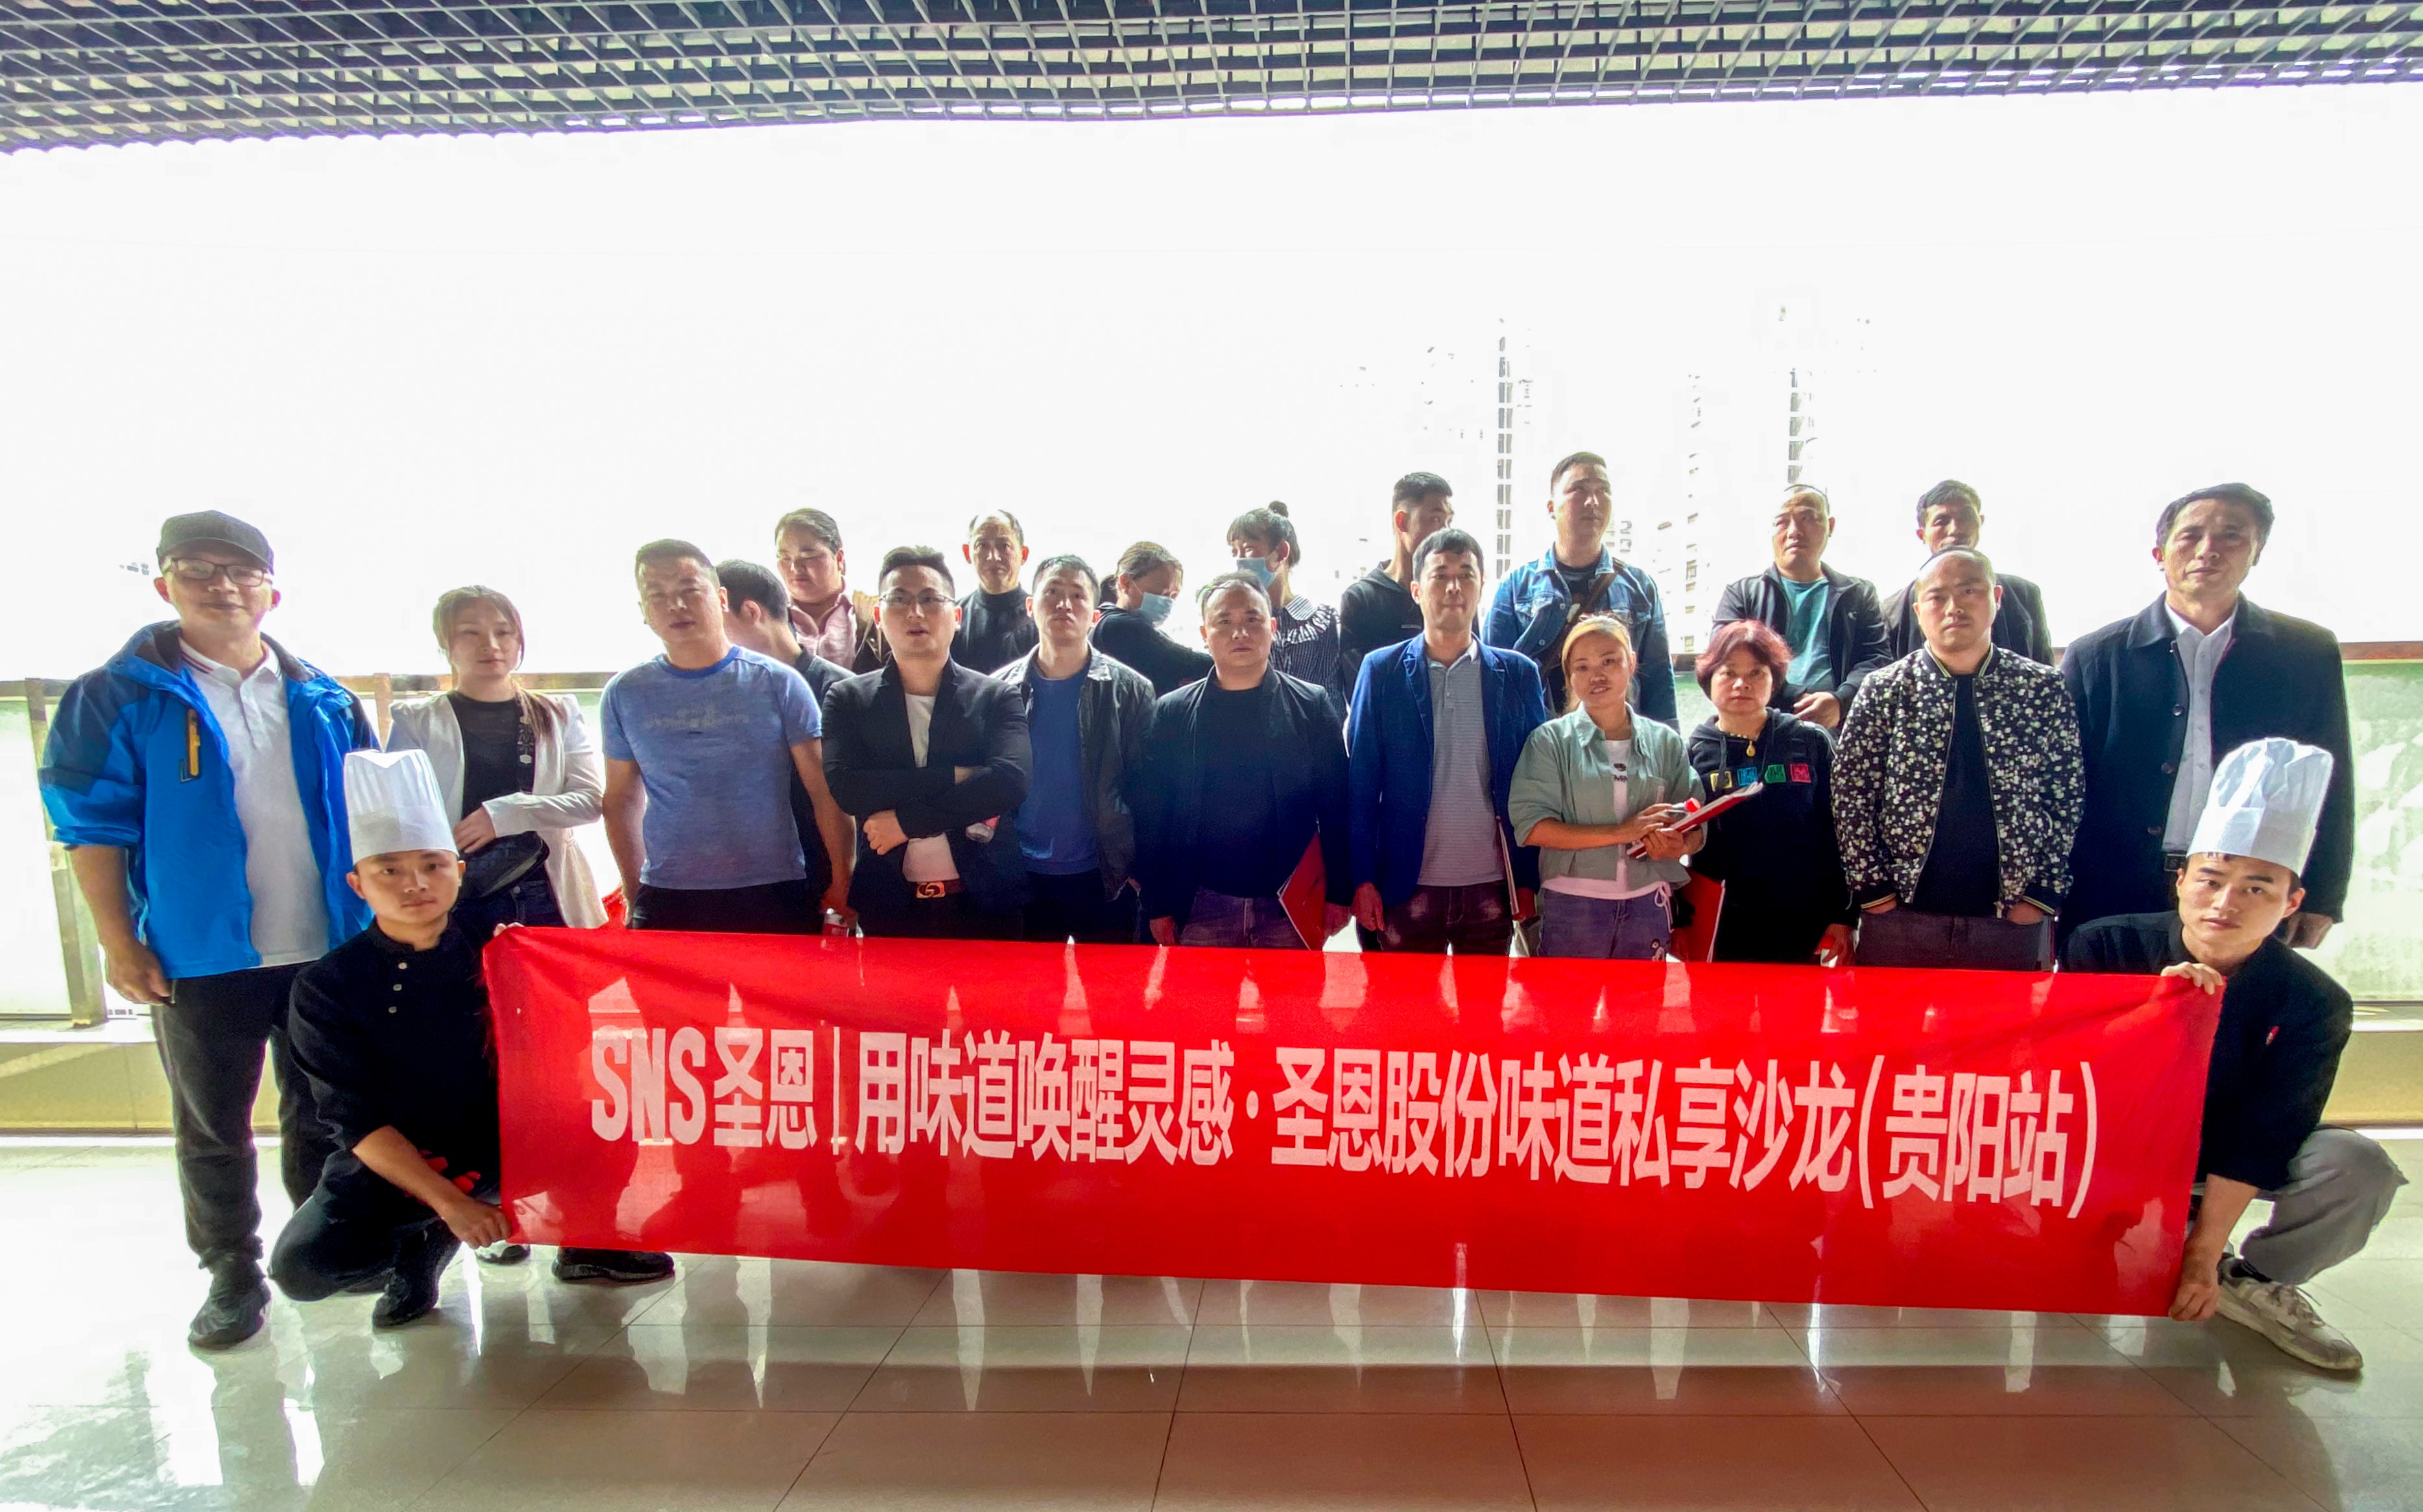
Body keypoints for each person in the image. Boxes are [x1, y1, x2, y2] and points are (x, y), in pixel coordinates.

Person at [40, 510, 376, 1351]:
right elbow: (91, 827)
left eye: (241, 571)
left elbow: (373, 810)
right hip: (197, 953)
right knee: (213, 1123)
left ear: (272, 592)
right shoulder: (115, 696)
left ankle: (318, 1246)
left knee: (323, 1110)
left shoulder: (324, 696)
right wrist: (120, 942)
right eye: (198, 569)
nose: (222, 585)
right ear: (165, 585)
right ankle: (231, 1269)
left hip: (326, 945)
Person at [2064, 738, 2404, 1373]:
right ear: (2181, 879)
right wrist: (2153, 1013)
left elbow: (2270, 1128)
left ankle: (2254, 1279)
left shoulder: (2314, 1000)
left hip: (2230, 1151)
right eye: (2212, 880)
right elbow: (2069, 1075)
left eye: (2256, 887)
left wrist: (2202, 1252)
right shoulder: (2104, 945)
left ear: (2291, 902)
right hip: (2121, 1142)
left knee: (2357, 1166)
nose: (2225, 904)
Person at [269, 749, 512, 1329]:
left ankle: (588, 1247)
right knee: (305, 1267)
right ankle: (423, 1241)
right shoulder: (328, 985)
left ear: (459, 870)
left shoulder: (504, 945)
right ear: (357, 883)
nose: (416, 885)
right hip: (400, 1160)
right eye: (390, 871)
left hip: (509, 1144)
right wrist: (450, 1204)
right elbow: (355, 1122)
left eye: (432, 865)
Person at [2061, 483, 2354, 948]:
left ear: (2257, 552)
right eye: (2191, 536)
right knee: (2118, 995)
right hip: (2113, 885)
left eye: (2231, 536)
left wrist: (2323, 894)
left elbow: (2330, 777)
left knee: (2234, 998)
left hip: (2246, 893)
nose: (2208, 550)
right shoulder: (2097, 656)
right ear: (2160, 554)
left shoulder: (2305, 653)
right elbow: (2062, 786)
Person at [1834, 547, 2083, 971]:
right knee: (1889, 1017)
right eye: (1937, 596)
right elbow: (1851, 794)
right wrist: (1873, 891)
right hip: (1900, 916)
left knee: (2007, 1018)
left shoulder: (2042, 688)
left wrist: (2041, 893)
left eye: (1969, 591)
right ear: (1919, 610)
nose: (1954, 608)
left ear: (1996, 598)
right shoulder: (1884, 689)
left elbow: (2065, 795)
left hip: (2011, 919)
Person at [600, 541, 853, 936]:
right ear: (644, 612)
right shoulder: (624, 692)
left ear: (720, 598)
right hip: (669, 894)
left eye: (689, 590)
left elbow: (825, 791)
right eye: (658, 596)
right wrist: (633, 891)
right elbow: (621, 800)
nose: (676, 606)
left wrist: (843, 880)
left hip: (775, 892)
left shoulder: (779, 682)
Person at [1346, 527, 1548, 954]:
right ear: (1417, 590)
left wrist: (1529, 878)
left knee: (1486, 1000)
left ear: (1481, 586)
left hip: (1494, 885)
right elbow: (1361, 785)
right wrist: (1361, 879)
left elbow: (1538, 785)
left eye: (1466, 575)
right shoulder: (1380, 672)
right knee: (1404, 1000)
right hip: (1407, 884)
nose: (1454, 587)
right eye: (1440, 575)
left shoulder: (1519, 675)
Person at [1134, 572, 1354, 948]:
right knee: (1202, 992)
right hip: (1201, 904)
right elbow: (1153, 814)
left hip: (1288, 906)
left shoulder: (1311, 706)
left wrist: (1340, 892)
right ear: (1204, 635)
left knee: (1293, 992)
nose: (1240, 633)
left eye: (1252, 619)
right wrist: (1157, 903)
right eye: (1224, 622)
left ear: (1272, 628)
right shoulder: (1172, 712)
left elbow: (1337, 807)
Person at [823, 547, 1034, 939]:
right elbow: (848, 789)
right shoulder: (847, 699)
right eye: (899, 599)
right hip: (890, 906)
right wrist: (959, 776)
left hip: (987, 904)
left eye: (930, 599)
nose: (915, 612)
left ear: (957, 616)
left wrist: (907, 823)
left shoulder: (995, 696)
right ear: (878, 616)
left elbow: (1010, 782)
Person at [385, 587, 608, 944]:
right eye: (470, 633)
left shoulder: (559, 713)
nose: (491, 645)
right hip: (456, 898)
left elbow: (590, 802)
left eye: (503, 632)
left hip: (547, 895)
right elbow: (398, 818)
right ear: (445, 643)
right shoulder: (416, 721)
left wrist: (508, 812)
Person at [1507, 616, 1701, 958]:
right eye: (1582, 667)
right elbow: (1532, 827)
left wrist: (1679, 844)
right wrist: (1622, 832)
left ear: (1631, 663)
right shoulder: (1549, 741)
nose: (1596, 675)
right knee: (1568, 997)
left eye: (1609, 661)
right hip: (1573, 906)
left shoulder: (1666, 742)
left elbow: (1695, 821)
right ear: (1570, 677)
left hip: (1649, 905)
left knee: (1641, 997)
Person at [994, 555, 1156, 943]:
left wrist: (1140, 869)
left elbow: (1149, 788)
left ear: (1095, 616)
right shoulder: (998, 691)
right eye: (1052, 592)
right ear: (1031, 606)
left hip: (1105, 874)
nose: (1064, 604)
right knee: (1029, 984)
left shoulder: (1131, 690)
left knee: (1110, 983)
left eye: (1078, 595)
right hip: (1023, 875)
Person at [1683, 619, 1854, 965]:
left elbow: (1841, 832)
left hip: (1804, 918)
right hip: (1722, 922)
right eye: (1728, 673)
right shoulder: (1692, 752)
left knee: (1799, 1003)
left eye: (1756, 673)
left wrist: (1844, 915)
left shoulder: (1810, 740)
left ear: (1774, 680)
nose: (1741, 684)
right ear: (1708, 681)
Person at [1484, 451, 1675, 723]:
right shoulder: (1515, 587)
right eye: (1579, 490)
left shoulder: (1640, 588)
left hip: (1619, 742)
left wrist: (1667, 745)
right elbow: (1494, 682)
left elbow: (1659, 684)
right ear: (1552, 507)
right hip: (1538, 740)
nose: (1593, 501)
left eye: (1603, 490)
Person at [719, 558, 856, 922]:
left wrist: (844, 877)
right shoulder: (724, 695)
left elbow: (852, 798)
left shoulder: (841, 690)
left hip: (826, 875)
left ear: (751, 611)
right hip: (751, 879)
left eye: (718, 623)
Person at [1709, 484, 1891, 731]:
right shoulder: (1742, 595)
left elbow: (1877, 658)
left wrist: (1841, 700)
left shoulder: (1858, 594)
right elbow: (1721, 661)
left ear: (1830, 526)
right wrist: (1795, 698)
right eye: (1782, 522)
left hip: (1843, 727)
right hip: (1761, 728)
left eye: (1808, 518)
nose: (1795, 531)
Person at [1880, 480, 2053, 664]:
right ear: (1922, 534)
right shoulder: (1892, 611)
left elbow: (2044, 666)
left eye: (1965, 517)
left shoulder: (2024, 594)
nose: (1955, 529)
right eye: (1942, 521)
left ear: (1981, 522)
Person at [1228, 503, 1350, 723]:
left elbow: (1333, 697)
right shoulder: (1233, 624)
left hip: (1312, 738)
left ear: (1282, 552)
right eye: (1235, 552)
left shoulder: (1322, 621)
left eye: (1248, 549)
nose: (1240, 560)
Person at [1339, 472, 1455, 675]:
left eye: (1449, 522)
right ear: (1402, 522)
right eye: (1435, 519)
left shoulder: (1456, 595)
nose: (1445, 533)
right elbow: (1360, 685)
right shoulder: (1362, 599)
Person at [1092, 541, 1214, 697]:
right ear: (1126, 582)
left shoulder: (1108, 621)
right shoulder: (1120, 626)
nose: (1168, 602)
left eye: (1173, 596)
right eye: (1162, 593)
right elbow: (1197, 665)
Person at [774, 507, 883, 672]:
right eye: (785, 558)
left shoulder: (874, 614)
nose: (795, 567)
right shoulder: (767, 617)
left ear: (839, 558)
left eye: (809, 557)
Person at [951, 509, 1040, 674]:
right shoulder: (952, 618)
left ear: (1024, 554)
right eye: (982, 546)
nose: (993, 557)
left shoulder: (1042, 618)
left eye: (1004, 546)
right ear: (967, 553)